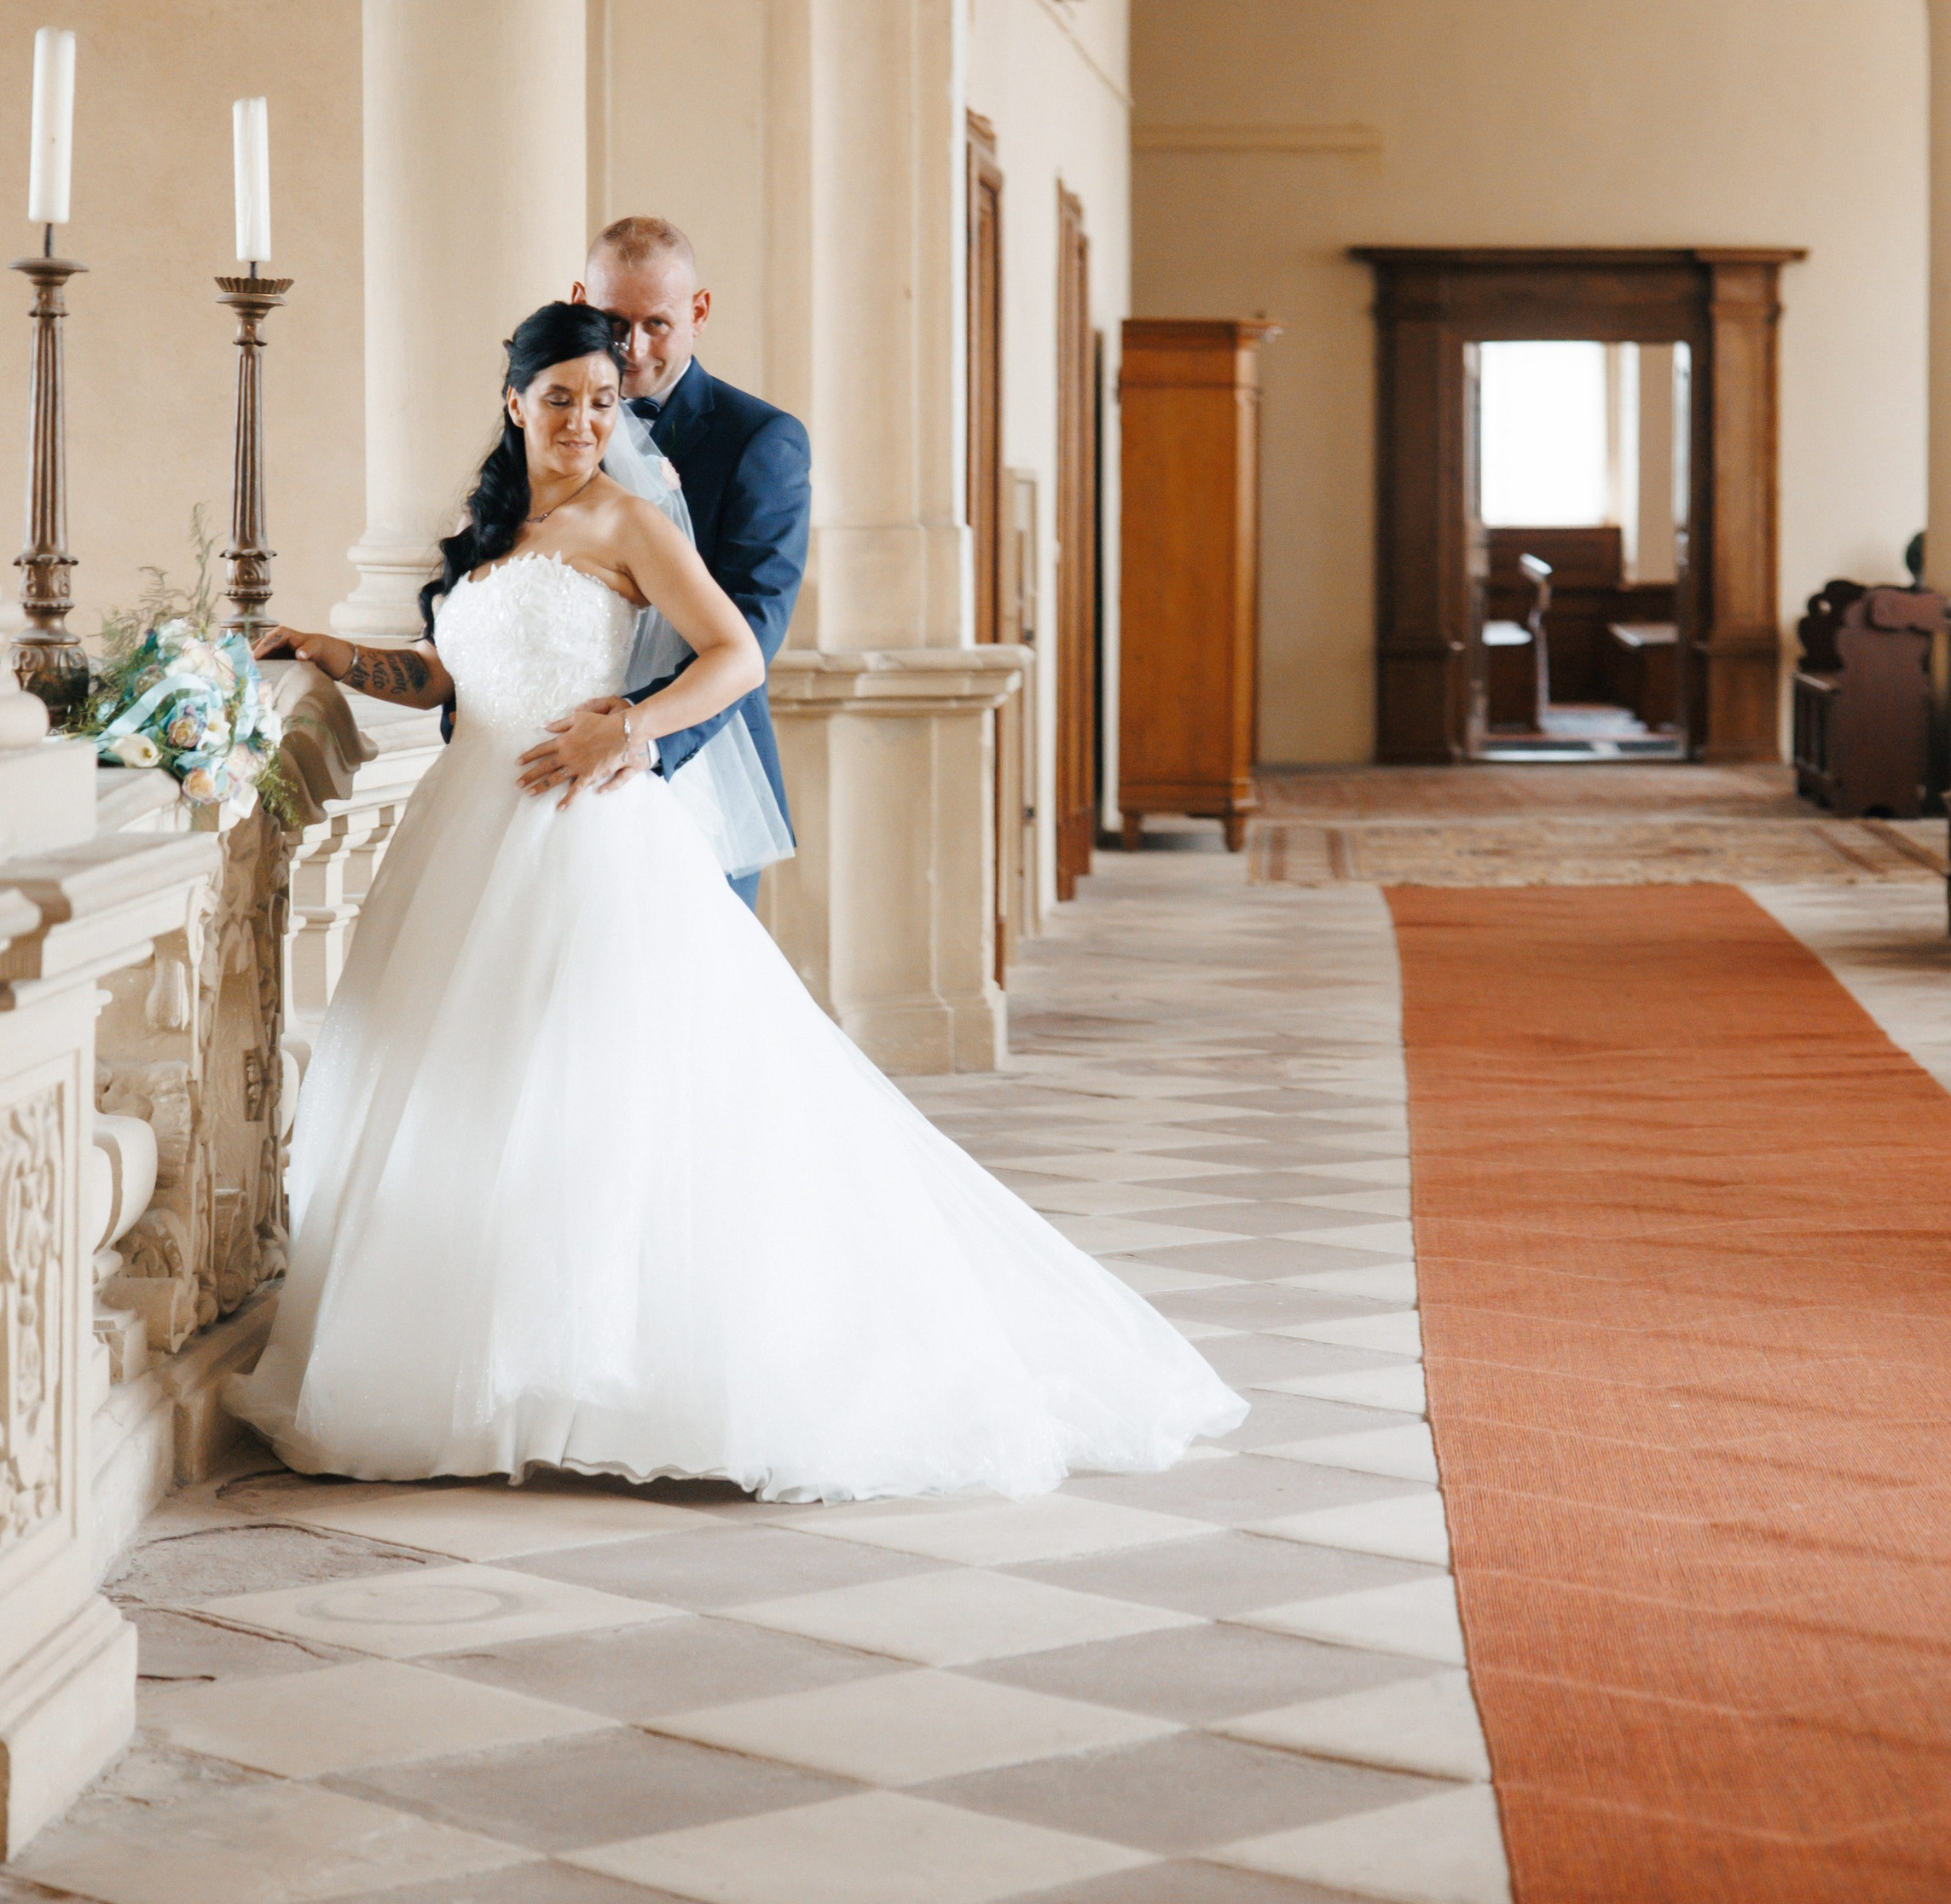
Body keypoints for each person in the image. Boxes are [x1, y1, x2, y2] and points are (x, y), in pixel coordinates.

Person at [227, 302, 1243, 1495]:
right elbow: (452, 677)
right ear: (515, 402)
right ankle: (486, 1377)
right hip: (465, 837)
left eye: (603, 400)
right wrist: (329, 652)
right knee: (472, 1093)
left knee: (595, 1096)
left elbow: (736, 651)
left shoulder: (630, 519)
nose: (583, 420)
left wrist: (634, 726)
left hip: (580, 837)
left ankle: (614, 1376)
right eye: (560, 398)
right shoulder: (493, 527)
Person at [512, 217, 807, 911]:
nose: (634, 348)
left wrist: (634, 738)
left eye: (658, 325)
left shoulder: (760, 440)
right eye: (614, 323)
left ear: (698, 312)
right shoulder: (543, 422)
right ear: (580, 302)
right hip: (543, 768)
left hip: (692, 763)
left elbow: (754, 627)